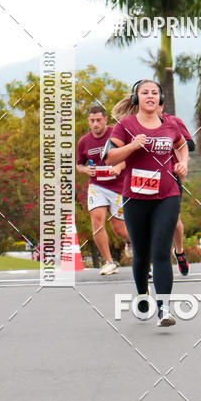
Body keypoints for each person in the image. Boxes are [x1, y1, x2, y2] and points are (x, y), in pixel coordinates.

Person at [106, 80, 188, 327]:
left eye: (154, 92)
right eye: (145, 92)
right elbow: (110, 157)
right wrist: (133, 145)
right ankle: (143, 294)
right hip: (135, 197)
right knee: (141, 254)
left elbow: (181, 146)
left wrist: (183, 163)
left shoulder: (171, 124)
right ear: (136, 98)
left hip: (167, 195)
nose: (150, 96)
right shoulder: (125, 125)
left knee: (161, 252)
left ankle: (164, 308)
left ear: (160, 98)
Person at [76, 104, 130, 275]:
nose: (95, 124)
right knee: (97, 221)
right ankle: (108, 262)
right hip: (97, 186)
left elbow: (129, 155)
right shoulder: (84, 141)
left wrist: (119, 167)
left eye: (99, 120)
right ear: (88, 121)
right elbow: (79, 164)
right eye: (92, 120)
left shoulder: (116, 134)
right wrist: (86, 170)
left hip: (118, 186)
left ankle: (131, 242)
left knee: (119, 229)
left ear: (105, 120)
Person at [157, 108, 195, 277]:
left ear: (161, 105)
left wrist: (182, 162)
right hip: (144, 180)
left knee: (175, 221)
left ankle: (179, 251)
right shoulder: (133, 123)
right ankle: (154, 261)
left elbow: (189, 144)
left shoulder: (172, 122)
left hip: (170, 176)